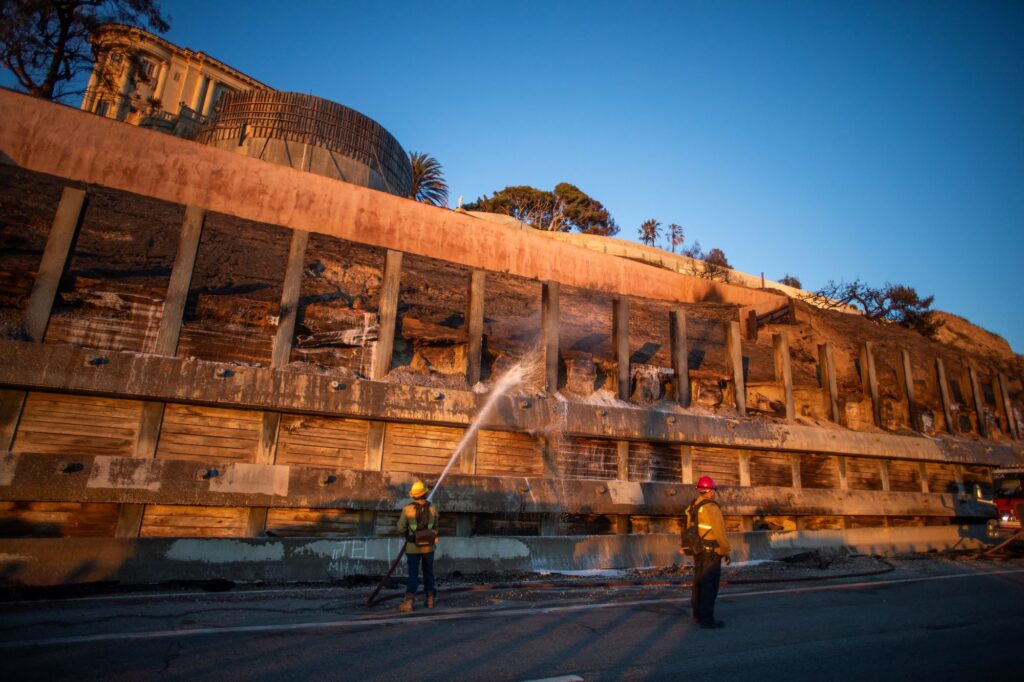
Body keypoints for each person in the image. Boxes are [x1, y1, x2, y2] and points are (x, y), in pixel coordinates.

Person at [681, 475, 732, 629]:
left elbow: (686, 528)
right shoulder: (711, 507)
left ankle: (697, 614)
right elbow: (719, 532)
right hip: (711, 551)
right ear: (709, 490)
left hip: (698, 550)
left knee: (699, 582)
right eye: (713, 489)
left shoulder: (692, 506)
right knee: (710, 584)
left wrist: (685, 546)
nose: (714, 492)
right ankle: (707, 619)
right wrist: (725, 551)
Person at [396, 480, 439, 612]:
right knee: (428, 572)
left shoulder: (407, 509)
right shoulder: (433, 508)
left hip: (412, 547)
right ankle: (430, 600)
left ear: (413, 495)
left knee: (413, 574)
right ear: (425, 494)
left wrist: (409, 535)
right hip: (429, 548)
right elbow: (436, 527)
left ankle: (409, 602)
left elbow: (400, 528)